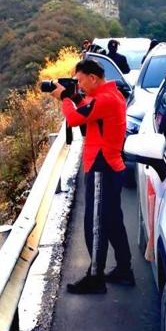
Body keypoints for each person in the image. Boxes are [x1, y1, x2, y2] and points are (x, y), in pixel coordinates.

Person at [51, 59, 134, 294]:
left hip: (102, 167)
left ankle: (96, 278)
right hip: (110, 166)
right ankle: (124, 269)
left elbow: (75, 118)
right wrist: (76, 98)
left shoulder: (105, 99)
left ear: (93, 78)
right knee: (112, 221)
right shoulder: (110, 95)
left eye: (80, 81)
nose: (78, 86)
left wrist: (64, 98)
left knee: (95, 224)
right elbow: (89, 110)